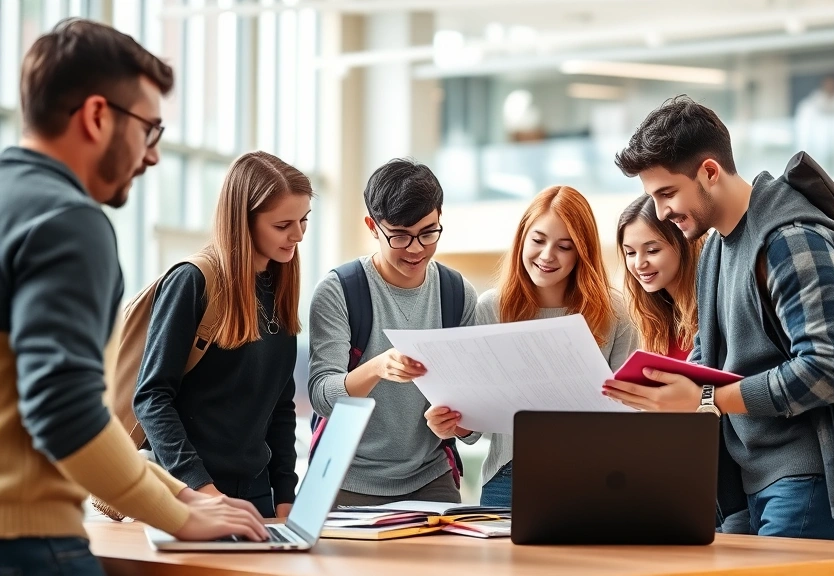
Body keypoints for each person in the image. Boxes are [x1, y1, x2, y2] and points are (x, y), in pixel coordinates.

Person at [0, 19, 266, 575]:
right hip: (26, 541)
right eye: (150, 129)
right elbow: (65, 411)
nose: (153, 156)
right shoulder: (68, 221)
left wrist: (185, 495)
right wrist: (180, 517)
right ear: (97, 116)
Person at [604, 95, 834, 542]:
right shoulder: (715, 251)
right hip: (754, 480)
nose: (662, 211)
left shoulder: (791, 240)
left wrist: (704, 398)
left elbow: (828, 372)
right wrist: (658, 392)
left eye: (667, 193)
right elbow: (708, 361)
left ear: (709, 171)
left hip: (817, 479)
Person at [425, 185, 638, 507]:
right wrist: (453, 424)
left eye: (564, 246)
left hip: (590, 478)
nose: (547, 255)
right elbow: (474, 427)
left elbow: (630, 414)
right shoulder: (491, 309)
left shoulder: (615, 313)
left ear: (582, 251)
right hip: (507, 479)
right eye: (538, 240)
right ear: (522, 238)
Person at [134, 151, 312, 519]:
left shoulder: (278, 287)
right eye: (283, 225)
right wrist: (203, 492)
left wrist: (286, 499)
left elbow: (279, 408)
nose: (297, 234)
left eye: (304, 220)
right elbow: (151, 397)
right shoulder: (192, 282)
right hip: (189, 495)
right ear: (243, 221)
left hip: (257, 497)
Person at [308, 158, 478, 506]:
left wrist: (456, 425)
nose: (416, 249)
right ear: (373, 226)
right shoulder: (340, 291)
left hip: (431, 477)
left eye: (428, 232)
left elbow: (472, 422)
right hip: (346, 477)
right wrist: (376, 368)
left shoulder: (457, 293)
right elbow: (322, 397)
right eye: (400, 235)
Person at [616, 194, 704, 359]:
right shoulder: (655, 321)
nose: (639, 264)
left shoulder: (714, 311)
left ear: (685, 244)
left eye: (652, 251)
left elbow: (732, 382)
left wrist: (701, 387)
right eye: (630, 252)